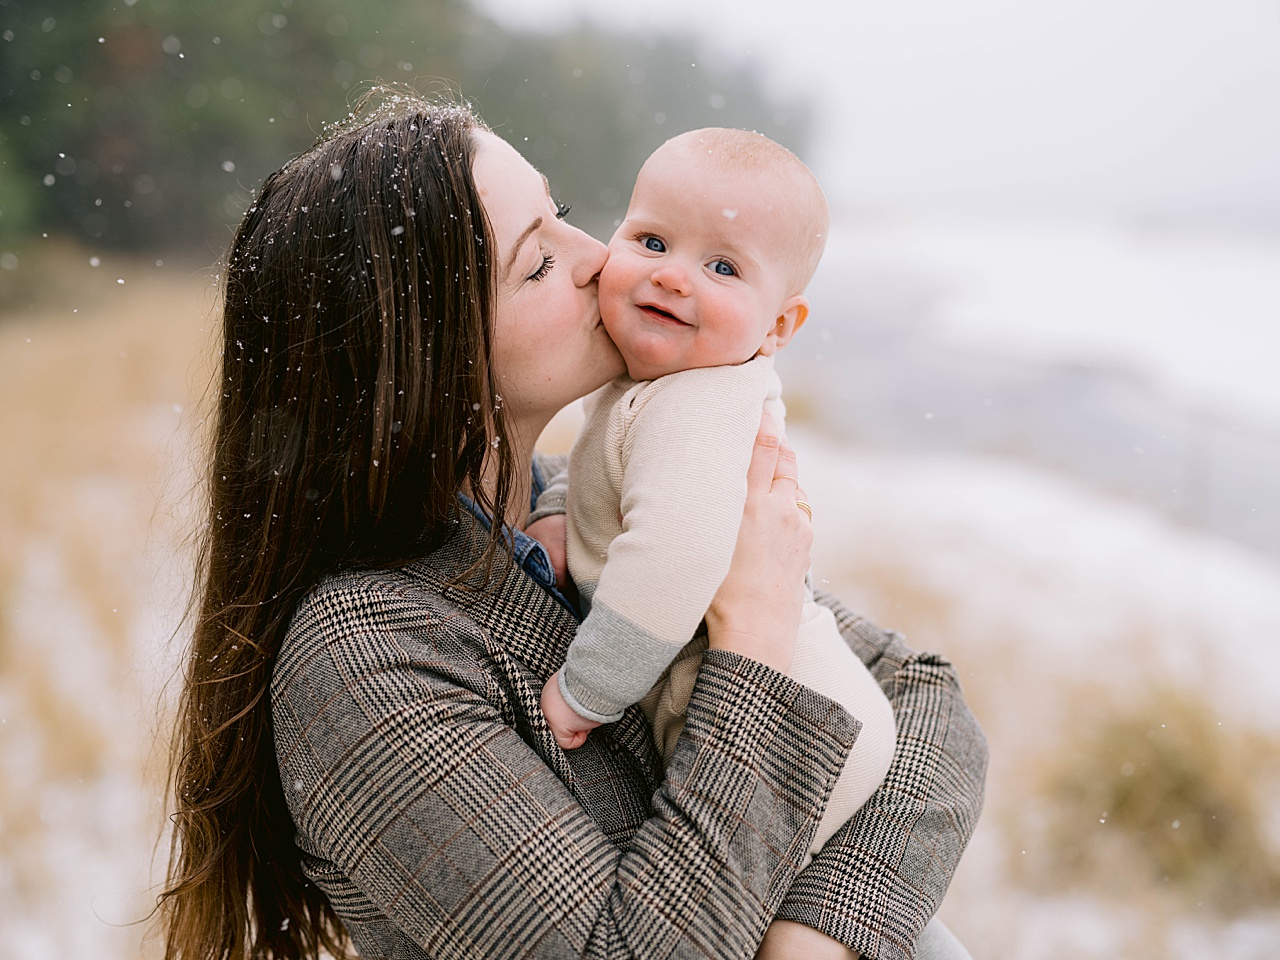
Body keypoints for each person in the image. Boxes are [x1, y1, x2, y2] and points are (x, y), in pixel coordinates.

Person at [159, 89, 987, 960]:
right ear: (425, 353)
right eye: (537, 261)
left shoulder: (580, 505)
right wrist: (753, 643)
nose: (600, 256)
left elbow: (928, 697)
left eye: (561, 215)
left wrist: (819, 931)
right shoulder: (363, 660)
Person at [532, 128, 896, 868]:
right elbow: (613, 469)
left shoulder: (699, 402)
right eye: (653, 240)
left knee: (781, 921)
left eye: (722, 266)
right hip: (773, 703)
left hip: (798, 728)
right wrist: (557, 505)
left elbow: (675, 557)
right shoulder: (656, 385)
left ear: (780, 325)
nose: (673, 277)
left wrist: (585, 691)